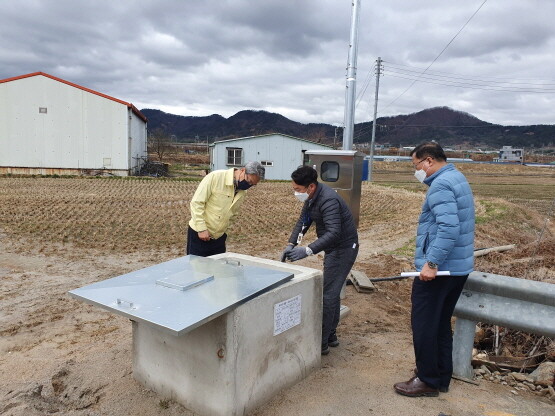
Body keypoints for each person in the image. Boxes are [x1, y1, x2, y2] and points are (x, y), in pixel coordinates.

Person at [393, 142, 475, 397]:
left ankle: (426, 379)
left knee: (425, 324)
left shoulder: (440, 185)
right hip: (457, 268)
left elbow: (449, 229)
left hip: (441, 270)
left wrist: (431, 264)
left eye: (416, 165)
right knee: (439, 324)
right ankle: (440, 376)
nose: (416, 171)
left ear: (428, 161)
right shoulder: (456, 176)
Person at [283, 165, 359, 355]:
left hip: (343, 248)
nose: (296, 193)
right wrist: (291, 244)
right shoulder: (311, 198)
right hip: (334, 248)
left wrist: (307, 251)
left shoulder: (328, 200)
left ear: (310, 187)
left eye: (298, 190)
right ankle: (330, 335)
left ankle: (322, 342)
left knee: (328, 295)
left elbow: (334, 232)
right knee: (330, 292)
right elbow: (303, 221)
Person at [187, 161, 265, 257]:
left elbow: (232, 214)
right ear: (243, 170)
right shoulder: (215, 177)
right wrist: (201, 229)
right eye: (249, 181)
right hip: (199, 235)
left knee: (217, 270)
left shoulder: (242, 192)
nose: (248, 185)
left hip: (219, 238)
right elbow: (197, 203)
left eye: (253, 184)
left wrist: (224, 233)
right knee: (197, 269)